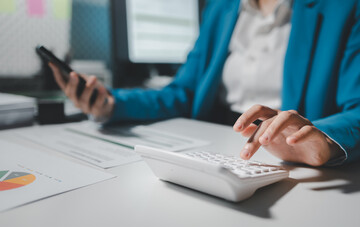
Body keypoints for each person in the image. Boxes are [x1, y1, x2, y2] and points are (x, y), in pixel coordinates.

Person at [49, 0, 360, 167]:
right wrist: (111, 103)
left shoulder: (344, 7)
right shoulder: (221, 7)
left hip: (290, 157)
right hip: (215, 151)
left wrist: (325, 141)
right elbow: (183, 92)